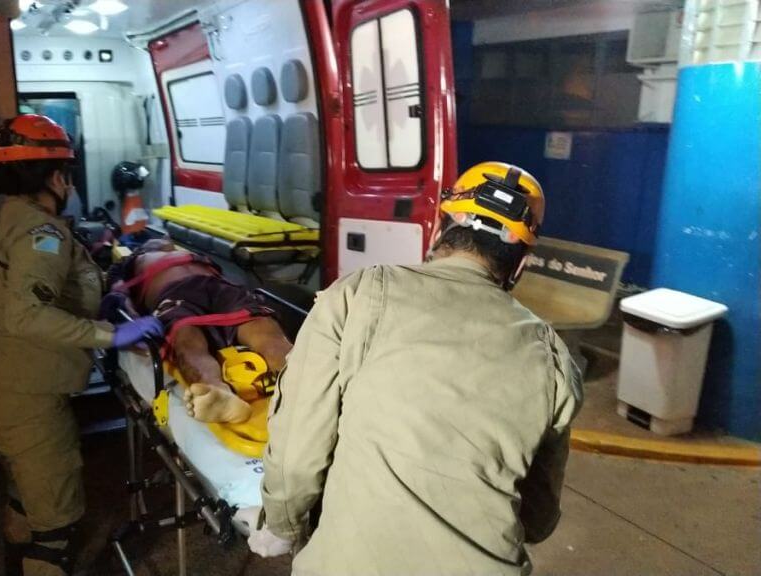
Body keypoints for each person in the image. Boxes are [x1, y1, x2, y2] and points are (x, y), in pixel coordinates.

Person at [249, 162, 584, 575]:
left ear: (440, 229)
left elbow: (299, 448)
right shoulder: (553, 359)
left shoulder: (359, 295)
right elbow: (538, 518)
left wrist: (282, 525)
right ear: (520, 264)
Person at [0, 114, 163, 576]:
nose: (70, 185)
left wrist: (98, 296)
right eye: (67, 175)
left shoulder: (12, 219)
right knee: (56, 525)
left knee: (26, 498)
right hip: (30, 401)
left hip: (2, 387)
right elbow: (28, 314)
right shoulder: (43, 234)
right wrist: (112, 334)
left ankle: (15, 562)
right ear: (56, 177)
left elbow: (33, 292)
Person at [101, 238, 292, 423]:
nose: (163, 239)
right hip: (174, 294)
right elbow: (118, 293)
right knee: (185, 336)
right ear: (143, 249)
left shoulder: (192, 254)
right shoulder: (130, 262)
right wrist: (131, 316)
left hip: (221, 288)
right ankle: (216, 392)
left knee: (262, 326)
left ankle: (297, 377)